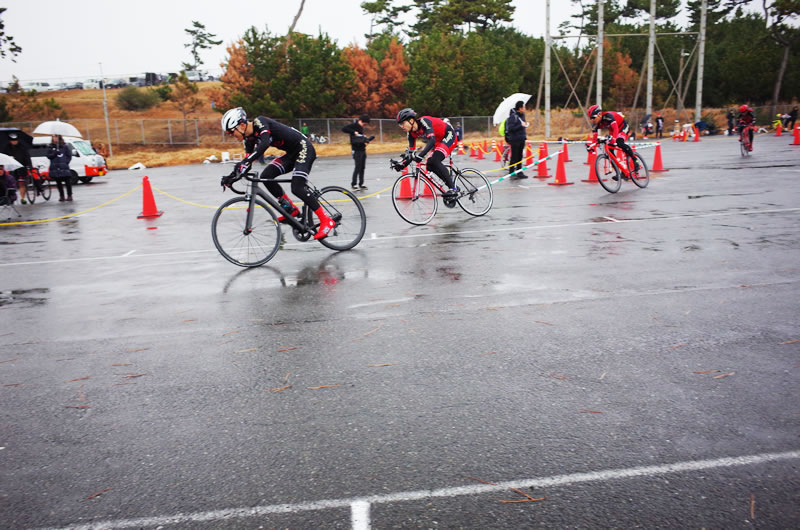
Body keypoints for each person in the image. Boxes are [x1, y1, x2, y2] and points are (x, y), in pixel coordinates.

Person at [219, 107, 335, 240]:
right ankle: (290, 209)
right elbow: (247, 164)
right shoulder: (249, 140)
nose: (230, 135)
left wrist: (245, 162)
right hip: (291, 154)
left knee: (297, 187)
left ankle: (326, 220)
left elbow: (264, 144)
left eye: (230, 132)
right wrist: (231, 177)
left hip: (304, 148)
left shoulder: (260, 122)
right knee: (266, 176)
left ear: (241, 125)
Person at [393, 107, 459, 200]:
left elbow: (431, 141)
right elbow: (411, 153)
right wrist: (402, 165)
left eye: (402, 123)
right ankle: (450, 185)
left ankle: (453, 189)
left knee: (435, 160)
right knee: (429, 165)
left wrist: (420, 155)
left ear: (411, 120)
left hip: (448, 135)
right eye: (400, 125)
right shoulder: (411, 134)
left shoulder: (424, 121)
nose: (402, 126)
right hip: (438, 141)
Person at [586, 104, 639, 176]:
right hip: (613, 131)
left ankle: (635, 159)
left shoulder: (608, 116)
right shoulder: (595, 124)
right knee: (609, 152)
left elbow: (615, 128)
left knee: (619, 142)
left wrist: (614, 138)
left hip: (622, 127)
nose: (592, 120)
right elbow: (595, 138)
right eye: (590, 118)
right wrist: (592, 146)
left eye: (593, 117)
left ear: (599, 115)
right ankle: (619, 172)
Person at [341, 114, 375, 190]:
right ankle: (354, 184)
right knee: (357, 167)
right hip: (356, 150)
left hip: (362, 149)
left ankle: (361, 183)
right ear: (360, 121)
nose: (364, 125)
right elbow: (343, 129)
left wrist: (365, 140)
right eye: (364, 124)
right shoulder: (354, 126)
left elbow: (360, 138)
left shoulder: (360, 128)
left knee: (362, 167)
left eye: (365, 124)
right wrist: (354, 132)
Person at [2, 132, 32, 204]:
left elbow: (27, 157)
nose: (14, 142)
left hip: (21, 168)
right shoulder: (6, 148)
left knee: (21, 183)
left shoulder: (22, 147)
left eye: (15, 140)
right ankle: (11, 197)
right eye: (12, 140)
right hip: (11, 169)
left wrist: (29, 166)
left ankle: (22, 198)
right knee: (10, 184)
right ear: (10, 141)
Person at [506, 100, 530, 179]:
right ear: (519, 108)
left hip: (521, 138)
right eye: (523, 107)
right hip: (515, 139)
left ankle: (520, 172)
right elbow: (511, 129)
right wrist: (521, 126)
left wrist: (525, 125)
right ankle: (511, 172)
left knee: (520, 156)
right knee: (514, 156)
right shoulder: (513, 116)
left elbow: (522, 126)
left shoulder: (522, 115)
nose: (524, 108)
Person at [47, 134, 73, 201]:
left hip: (64, 167)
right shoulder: (50, 147)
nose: (54, 138)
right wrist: (54, 153)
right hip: (55, 167)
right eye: (53, 137)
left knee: (67, 182)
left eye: (55, 137)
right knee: (58, 182)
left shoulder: (64, 146)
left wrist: (65, 162)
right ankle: (62, 195)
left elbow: (69, 155)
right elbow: (48, 156)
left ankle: (69, 195)